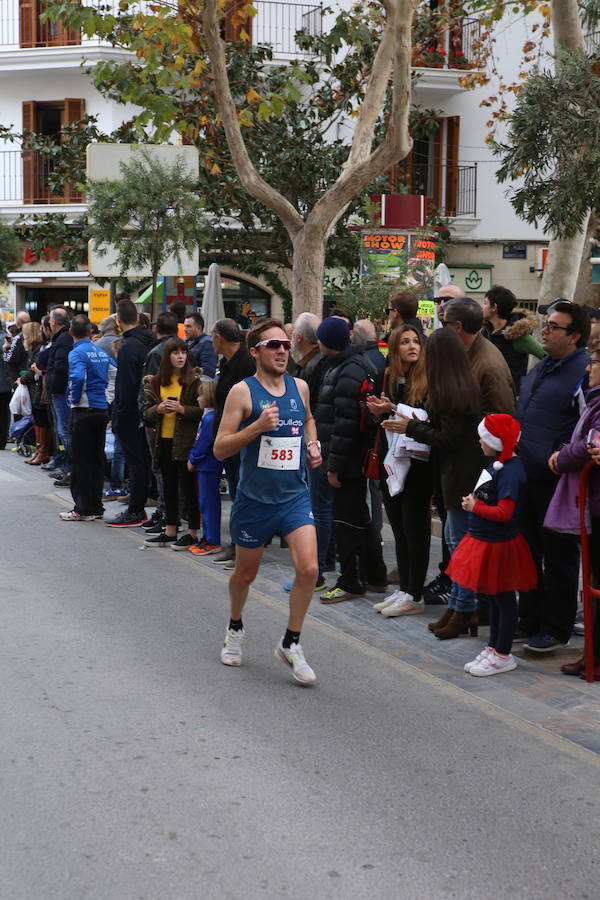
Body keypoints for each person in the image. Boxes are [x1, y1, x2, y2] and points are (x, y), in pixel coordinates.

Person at [213, 318, 322, 685]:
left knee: (308, 569)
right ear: (255, 351)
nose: (281, 351)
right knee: (246, 574)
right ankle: (235, 626)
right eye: (273, 345)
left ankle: (291, 643)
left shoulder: (300, 387)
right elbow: (219, 447)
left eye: (286, 345)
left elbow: (308, 420)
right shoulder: (242, 393)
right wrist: (256, 428)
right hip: (254, 500)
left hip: (293, 495)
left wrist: (312, 444)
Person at [386, 328, 484, 639]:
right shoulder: (452, 384)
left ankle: (463, 609)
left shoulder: (454, 389)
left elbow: (449, 439)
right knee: (456, 546)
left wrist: (411, 426)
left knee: (459, 548)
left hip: (461, 477)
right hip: (452, 476)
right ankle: (458, 608)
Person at [516, 299, 590, 652]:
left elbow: (589, 427)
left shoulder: (584, 372)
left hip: (558, 480)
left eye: (553, 326)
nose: (543, 330)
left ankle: (556, 627)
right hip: (526, 474)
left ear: (574, 336)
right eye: (544, 323)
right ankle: (529, 618)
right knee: (527, 551)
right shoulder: (544, 365)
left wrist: (561, 456)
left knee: (558, 556)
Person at [447, 414, 537, 676]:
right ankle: (493, 646)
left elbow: (504, 512)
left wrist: (477, 507)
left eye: (483, 437)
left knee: (504, 599)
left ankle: (503, 654)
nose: (479, 442)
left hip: (499, 544)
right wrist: (472, 503)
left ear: (495, 441)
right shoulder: (498, 464)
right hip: (485, 540)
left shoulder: (511, 471)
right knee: (494, 598)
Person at [315, 317, 387, 603]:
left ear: (325, 342)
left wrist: (334, 467)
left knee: (346, 521)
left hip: (347, 461)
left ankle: (350, 580)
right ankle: (375, 576)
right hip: (350, 458)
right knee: (359, 516)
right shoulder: (347, 365)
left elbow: (344, 425)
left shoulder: (348, 369)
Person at [542, 336, 600, 676]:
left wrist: (560, 457)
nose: (589, 369)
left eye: (594, 363)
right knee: (592, 581)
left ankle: (594, 656)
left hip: (596, 501)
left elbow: (589, 445)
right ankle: (591, 653)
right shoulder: (594, 400)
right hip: (591, 502)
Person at [367, 324, 431, 616]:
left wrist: (395, 409)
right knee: (400, 529)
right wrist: (379, 411)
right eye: (404, 342)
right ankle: (404, 588)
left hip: (418, 463)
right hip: (391, 460)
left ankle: (414, 594)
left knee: (415, 529)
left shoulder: (428, 379)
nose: (411, 346)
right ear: (394, 349)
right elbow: (380, 425)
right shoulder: (389, 376)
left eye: (415, 341)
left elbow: (428, 419)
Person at [142, 337, 202, 549]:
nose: (180, 357)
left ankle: (193, 532)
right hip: (163, 441)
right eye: (175, 353)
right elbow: (146, 412)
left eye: (183, 353)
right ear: (167, 357)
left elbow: (202, 410)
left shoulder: (194, 380)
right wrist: (158, 410)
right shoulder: (156, 381)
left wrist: (182, 410)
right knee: (168, 488)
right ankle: (170, 530)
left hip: (186, 443)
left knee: (189, 489)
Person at [59, 316, 115, 522]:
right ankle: (96, 507)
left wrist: (75, 400)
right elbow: (114, 374)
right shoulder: (100, 351)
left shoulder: (76, 353)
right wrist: (107, 399)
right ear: (91, 332)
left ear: (71, 332)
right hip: (100, 411)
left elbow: (77, 377)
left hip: (83, 412)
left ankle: (82, 509)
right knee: (97, 460)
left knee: (81, 462)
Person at [106, 298, 155, 527]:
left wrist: (118, 417)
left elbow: (125, 387)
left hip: (132, 413)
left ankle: (135, 510)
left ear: (118, 320)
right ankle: (144, 504)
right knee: (145, 462)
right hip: (151, 410)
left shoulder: (128, 347)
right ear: (137, 318)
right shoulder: (150, 342)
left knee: (136, 463)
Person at [211, 318, 256, 565]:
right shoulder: (226, 362)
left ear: (219, 337)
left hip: (242, 439)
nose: (211, 342)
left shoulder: (245, 363)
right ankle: (236, 544)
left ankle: (244, 547)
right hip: (228, 438)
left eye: (212, 337)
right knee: (237, 491)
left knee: (242, 493)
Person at [442, 296, 516, 415]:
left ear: (458, 326)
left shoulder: (489, 366)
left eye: (445, 323)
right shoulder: (468, 350)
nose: (443, 329)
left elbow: (500, 418)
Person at [482, 285, 543, 392]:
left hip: (511, 399)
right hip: (488, 395)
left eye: (485, 303)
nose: (482, 307)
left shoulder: (517, 336)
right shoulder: (485, 332)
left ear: (494, 307)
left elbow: (548, 355)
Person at [187, 378, 222, 556]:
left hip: (207, 465)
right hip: (206, 465)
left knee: (208, 504)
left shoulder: (210, 418)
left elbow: (203, 443)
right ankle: (208, 537)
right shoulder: (209, 416)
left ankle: (212, 540)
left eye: (200, 394)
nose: (198, 398)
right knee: (205, 503)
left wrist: (193, 459)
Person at [43, 308, 74, 484]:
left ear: (53, 322)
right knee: (62, 431)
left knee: (64, 431)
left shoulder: (63, 339)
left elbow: (61, 367)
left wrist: (53, 384)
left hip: (61, 392)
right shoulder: (63, 337)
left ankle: (70, 469)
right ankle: (66, 466)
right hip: (60, 391)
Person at [20, 322, 51, 466]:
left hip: (39, 387)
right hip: (35, 387)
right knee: (38, 418)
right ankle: (40, 450)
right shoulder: (35, 349)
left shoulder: (39, 348)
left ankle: (43, 451)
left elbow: (36, 368)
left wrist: (23, 379)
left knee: (42, 418)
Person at [185, 312, 217, 378]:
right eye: (185, 326)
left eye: (188, 326)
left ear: (199, 328)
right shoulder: (185, 341)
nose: (185, 329)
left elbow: (208, 371)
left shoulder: (207, 344)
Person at [2, 310, 30, 384]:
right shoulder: (32, 335)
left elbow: (9, 359)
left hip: (18, 376)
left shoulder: (18, 337)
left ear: (18, 321)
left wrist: (5, 349)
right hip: (29, 374)